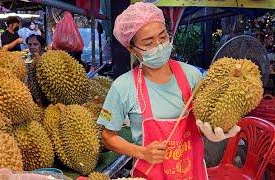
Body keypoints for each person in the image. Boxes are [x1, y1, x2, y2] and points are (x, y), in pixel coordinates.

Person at [97, 2, 240, 179]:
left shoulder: (192, 75)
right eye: (149, 42)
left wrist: (216, 129)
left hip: (191, 172)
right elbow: (107, 136)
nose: (159, 45)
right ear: (131, 48)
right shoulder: (122, 87)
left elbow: (209, 116)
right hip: (149, 174)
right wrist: (141, 152)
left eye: (163, 37)